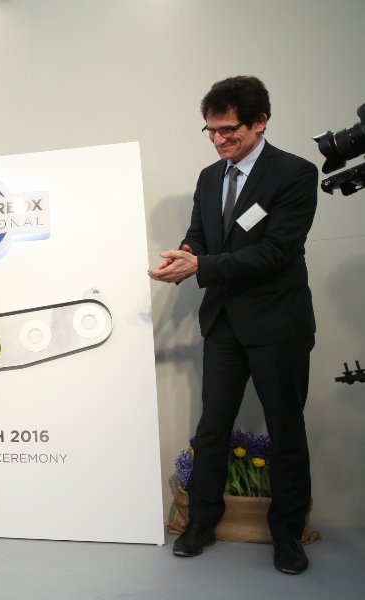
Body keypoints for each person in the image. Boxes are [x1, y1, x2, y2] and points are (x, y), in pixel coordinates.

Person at [149, 76, 317, 574]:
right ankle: (201, 521)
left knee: (286, 429)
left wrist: (200, 266)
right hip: (223, 322)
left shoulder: (295, 173)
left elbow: (275, 252)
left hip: (278, 324)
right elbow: (201, 236)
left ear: (260, 121)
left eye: (229, 130)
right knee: (212, 426)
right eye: (211, 130)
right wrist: (185, 256)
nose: (219, 139)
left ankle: (287, 533)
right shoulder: (209, 177)